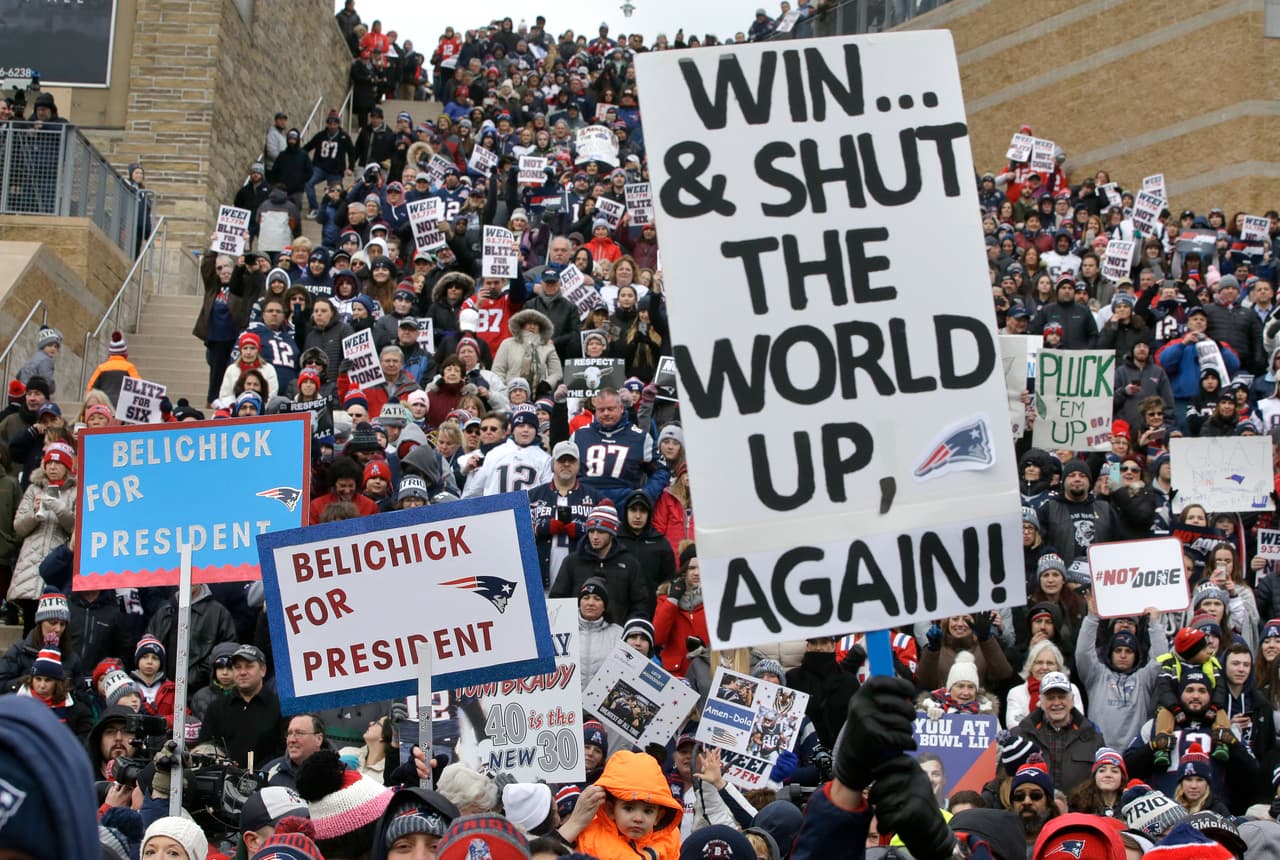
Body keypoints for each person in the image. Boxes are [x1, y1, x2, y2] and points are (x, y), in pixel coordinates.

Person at [550, 501, 652, 621]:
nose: (595, 537)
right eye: (591, 531)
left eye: (601, 531)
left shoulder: (630, 563)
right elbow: (557, 600)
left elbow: (641, 604)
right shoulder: (572, 561)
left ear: (612, 533)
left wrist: (629, 630)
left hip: (616, 635)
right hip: (579, 633)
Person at [570, 387, 669, 507]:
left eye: (610, 409)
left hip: (625, 509)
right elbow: (564, 469)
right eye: (601, 410)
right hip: (584, 505)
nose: (606, 413)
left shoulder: (640, 437)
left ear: (621, 408)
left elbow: (662, 469)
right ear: (595, 410)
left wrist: (647, 494)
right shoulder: (579, 436)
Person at [1011, 671, 1103, 793]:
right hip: (1034, 809)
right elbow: (1005, 781)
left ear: (1072, 700)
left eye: (1062, 696)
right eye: (1050, 698)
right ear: (1041, 702)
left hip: (1080, 810)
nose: (1056, 703)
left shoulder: (1092, 737)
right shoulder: (1020, 736)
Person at [199, 644, 288, 769]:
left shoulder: (280, 708)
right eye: (237, 667)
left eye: (249, 666)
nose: (242, 672)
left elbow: (284, 750)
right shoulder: (216, 708)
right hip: (224, 779)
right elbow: (207, 746)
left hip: (267, 780)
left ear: (263, 670)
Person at [652, 545, 709, 684]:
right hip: (675, 676)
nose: (696, 573)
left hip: (706, 675)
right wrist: (672, 600)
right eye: (691, 568)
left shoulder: (716, 601)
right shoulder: (666, 599)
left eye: (701, 567)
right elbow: (657, 637)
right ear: (683, 571)